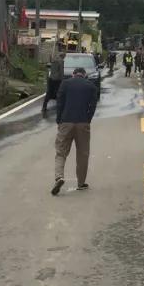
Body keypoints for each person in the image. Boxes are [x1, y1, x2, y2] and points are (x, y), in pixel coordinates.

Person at [51, 67, 98, 195]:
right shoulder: (91, 86)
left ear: (73, 74)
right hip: (83, 122)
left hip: (66, 121)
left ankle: (59, 177)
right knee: (83, 153)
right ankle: (81, 183)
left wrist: (59, 120)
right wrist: (88, 119)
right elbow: (93, 106)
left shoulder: (65, 84)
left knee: (61, 152)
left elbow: (59, 103)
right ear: (84, 75)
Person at [42, 46, 66, 115]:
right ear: (63, 56)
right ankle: (59, 107)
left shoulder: (54, 61)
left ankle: (44, 106)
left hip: (51, 79)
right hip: (57, 80)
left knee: (49, 92)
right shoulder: (61, 61)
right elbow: (61, 71)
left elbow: (49, 69)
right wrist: (63, 79)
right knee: (58, 92)